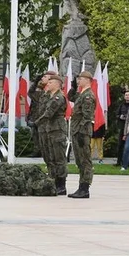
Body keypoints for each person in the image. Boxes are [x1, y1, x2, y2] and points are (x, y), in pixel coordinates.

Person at [37, 72, 69, 194]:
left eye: (50, 82)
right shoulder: (50, 96)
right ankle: (53, 181)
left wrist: (37, 122)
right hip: (50, 129)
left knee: (59, 157)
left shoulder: (58, 97)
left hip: (57, 130)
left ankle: (61, 185)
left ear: (57, 84)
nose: (48, 84)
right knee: (51, 157)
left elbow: (49, 113)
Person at [68, 70, 96, 198]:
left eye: (80, 79)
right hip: (77, 130)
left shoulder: (88, 95)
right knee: (79, 160)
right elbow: (70, 98)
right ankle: (81, 187)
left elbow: (87, 116)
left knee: (85, 160)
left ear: (87, 80)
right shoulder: (81, 94)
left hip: (82, 131)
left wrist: (80, 130)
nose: (78, 80)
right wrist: (73, 88)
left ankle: (85, 188)